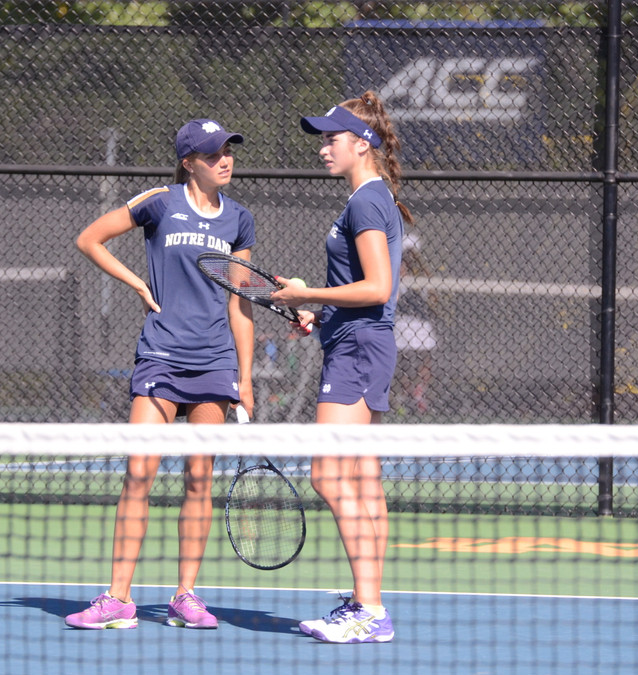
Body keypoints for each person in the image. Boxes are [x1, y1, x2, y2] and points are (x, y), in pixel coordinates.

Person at [66, 119, 256, 631]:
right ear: (189, 161)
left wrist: (246, 377)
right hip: (161, 356)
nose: (226, 159)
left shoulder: (240, 219)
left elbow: (241, 303)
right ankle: (118, 600)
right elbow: (91, 239)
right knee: (139, 474)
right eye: (214, 153)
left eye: (229, 151)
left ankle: (185, 596)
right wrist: (136, 284)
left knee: (200, 478)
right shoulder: (160, 202)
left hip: (215, 361)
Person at [271, 92, 412, 644]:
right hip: (358, 340)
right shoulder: (372, 199)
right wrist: (319, 311)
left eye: (332, 138)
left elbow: (379, 288)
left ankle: (370, 609)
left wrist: (308, 291)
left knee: (328, 475)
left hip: (358, 347)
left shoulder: (366, 202)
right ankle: (366, 602)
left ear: (362, 143)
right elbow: (367, 293)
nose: (324, 148)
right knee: (363, 480)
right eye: (323, 138)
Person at [393, 234, 437, 415]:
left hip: (419, 322)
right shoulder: (396, 269)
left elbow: (432, 299)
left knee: (422, 358)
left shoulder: (422, 274)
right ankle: (406, 393)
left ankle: (415, 392)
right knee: (406, 360)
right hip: (403, 323)